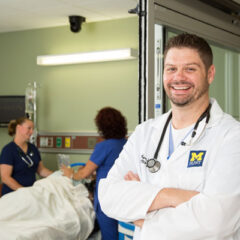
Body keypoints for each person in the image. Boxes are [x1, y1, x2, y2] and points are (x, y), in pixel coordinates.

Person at [98, 33, 240, 240]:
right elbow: (108, 196)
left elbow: (216, 221)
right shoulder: (145, 132)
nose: (179, 77)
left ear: (210, 74)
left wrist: (142, 207)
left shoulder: (232, 136)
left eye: (190, 69)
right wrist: (173, 196)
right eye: (171, 69)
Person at [61, 107, 127, 240]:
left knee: (109, 235)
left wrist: (70, 173)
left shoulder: (104, 146)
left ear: (102, 127)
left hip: (106, 197)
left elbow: (84, 174)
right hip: (124, 195)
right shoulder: (126, 143)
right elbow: (114, 169)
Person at [0, 117, 53, 196]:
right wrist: (23, 191)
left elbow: (41, 170)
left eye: (32, 129)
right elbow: (5, 178)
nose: (31, 132)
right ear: (18, 128)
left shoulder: (33, 148)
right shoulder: (8, 150)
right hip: (13, 195)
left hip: (30, 193)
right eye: (29, 128)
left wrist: (57, 175)